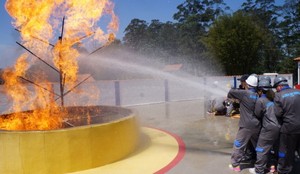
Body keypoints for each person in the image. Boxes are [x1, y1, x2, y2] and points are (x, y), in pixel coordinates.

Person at [228, 74, 261, 172]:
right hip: (256, 124)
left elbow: (230, 92)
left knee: (239, 145)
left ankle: (235, 165)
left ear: (247, 83)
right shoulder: (257, 95)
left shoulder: (244, 93)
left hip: (246, 125)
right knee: (258, 145)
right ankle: (263, 164)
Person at [249, 77, 280, 174]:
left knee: (261, 148)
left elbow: (257, 114)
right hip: (279, 127)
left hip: (268, 128)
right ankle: (273, 167)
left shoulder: (261, 100)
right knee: (275, 148)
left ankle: (259, 170)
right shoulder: (275, 97)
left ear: (260, 90)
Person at [273, 76, 300, 174]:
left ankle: (284, 170)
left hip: (289, 129)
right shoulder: (298, 91)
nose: (276, 89)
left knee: (285, 151)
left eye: (276, 87)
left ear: (279, 86)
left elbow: (278, 114)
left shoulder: (279, 96)